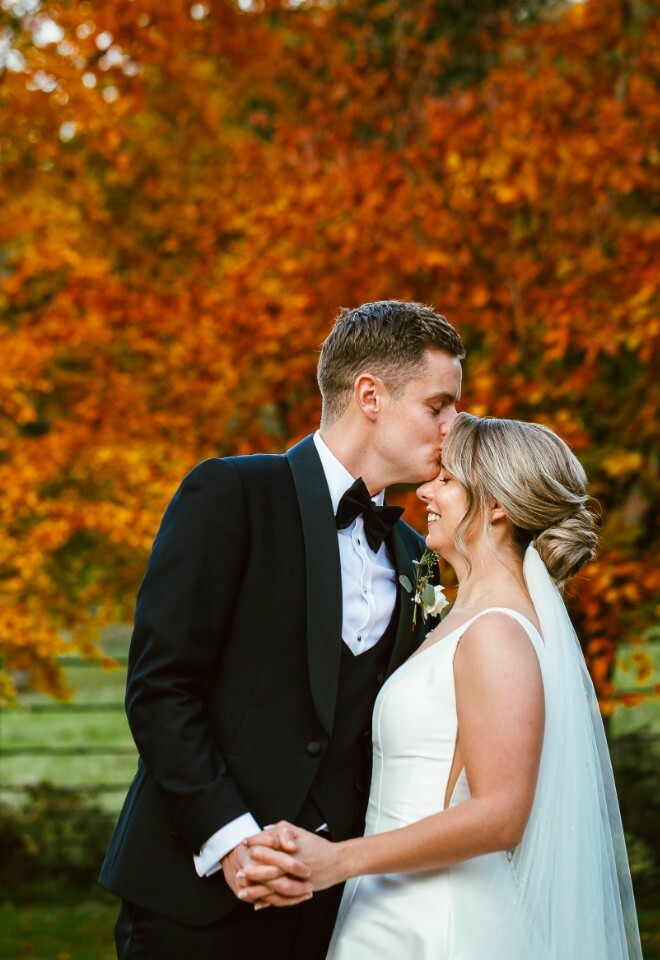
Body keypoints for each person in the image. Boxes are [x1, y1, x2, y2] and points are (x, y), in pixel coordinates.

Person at [99, 300, 465, 959]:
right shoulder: (231, 494)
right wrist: (233, 841)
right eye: (438, 405)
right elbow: (162, 688)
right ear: (370, 395)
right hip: (193, 902)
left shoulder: (417, 555)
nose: (453, 425)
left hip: (333, 913)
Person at [239, 413, 643, 960]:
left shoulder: (497, 632)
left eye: (447, 480)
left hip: (437, 920)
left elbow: (501, 813)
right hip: (390, 902)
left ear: (496, 505)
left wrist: (340, 860)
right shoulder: (457, 615)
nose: (424, 490)